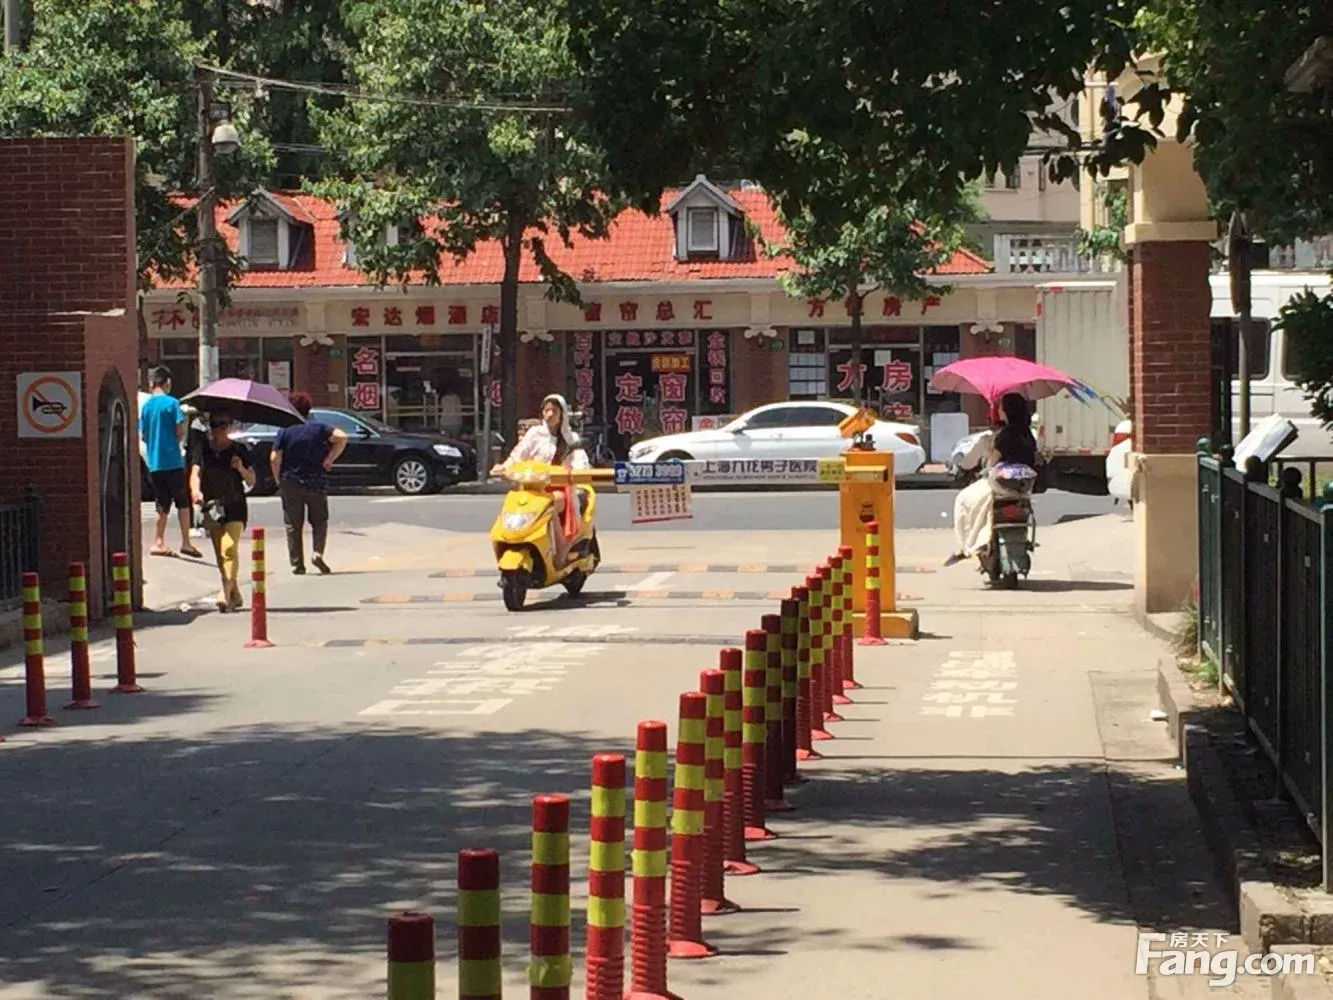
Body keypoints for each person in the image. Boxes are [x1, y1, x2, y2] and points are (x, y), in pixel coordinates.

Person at [490, 393, 589, 570]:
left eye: (554, 411)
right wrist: (504, 467)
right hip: (532, 487)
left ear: (562, 414)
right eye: (546, 410)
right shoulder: (534, 434)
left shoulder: (570, 438)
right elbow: (518, 455)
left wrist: (578, 472)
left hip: (560, 488)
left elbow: (580, 460)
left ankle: (561, 549)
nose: (550, 414)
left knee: (551, 504)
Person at [945, 392, 1039, 566]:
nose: (999, 411)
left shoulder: (1002, 436)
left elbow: (993, 463)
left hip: (1000, 485)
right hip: (1024, 487)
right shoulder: (1028, 434)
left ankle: (969, 544)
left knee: (965, 499)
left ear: (1008, 411)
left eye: (1002, 407)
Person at [271, 393, 348, 575]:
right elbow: (342, 437)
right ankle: (317, 553)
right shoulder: (319, 428)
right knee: (319, 521)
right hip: (316, 480)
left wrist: (278, 479)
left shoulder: (285, 430)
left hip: (290, 480)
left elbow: (274, 457)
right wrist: (329, 459)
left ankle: (297, 564)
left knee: (293, 524)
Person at [189, 409, 255, 612]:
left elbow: (252, 480)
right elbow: (195, 472)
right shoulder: (203, 449)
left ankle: (224, 593)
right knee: (221, 554)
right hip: (212, 506)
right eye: (216, 425)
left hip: (235, 504)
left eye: (224, 424)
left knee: (228, 548)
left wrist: (240, 468)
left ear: (230, 426)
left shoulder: (239, 450)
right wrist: (195, 491)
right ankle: (235, 593)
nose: (219, 429)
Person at [139, 366, 202, 558]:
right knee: (182, 502)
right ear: (167, 383)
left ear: (153, 384)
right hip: (173, 460)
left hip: (154, 462)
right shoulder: (173, 403)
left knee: (161, 503)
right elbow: (179, 430)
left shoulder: (147, 406)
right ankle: (186, 542)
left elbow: (143, 434)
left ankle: (158, 541)